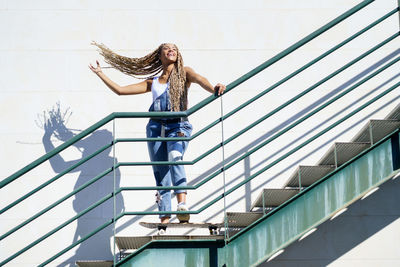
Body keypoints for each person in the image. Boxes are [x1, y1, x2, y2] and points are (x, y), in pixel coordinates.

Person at [89, 42, 226, 224]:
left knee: (175, 156)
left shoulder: (185, 72)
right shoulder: (153, 82)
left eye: (174, 49)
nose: (171, 50)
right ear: (159, 56)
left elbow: (201, 80)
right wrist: (101, 74)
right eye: (166, 49)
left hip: (178, 126)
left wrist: (214, 89)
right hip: (155, 129)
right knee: (161, 173)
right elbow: (121, 91)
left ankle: (182, 205)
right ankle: (164, 217)